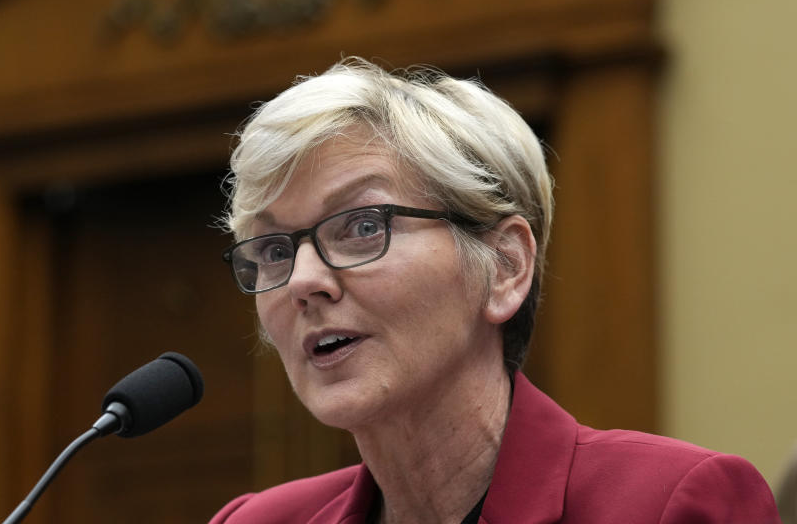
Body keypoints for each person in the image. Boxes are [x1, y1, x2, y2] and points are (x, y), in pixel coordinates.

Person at [210, 58, 780, 523]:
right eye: (275, 250)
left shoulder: (668, 504)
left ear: (505, 267)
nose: (305, 281)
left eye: (362, 227)